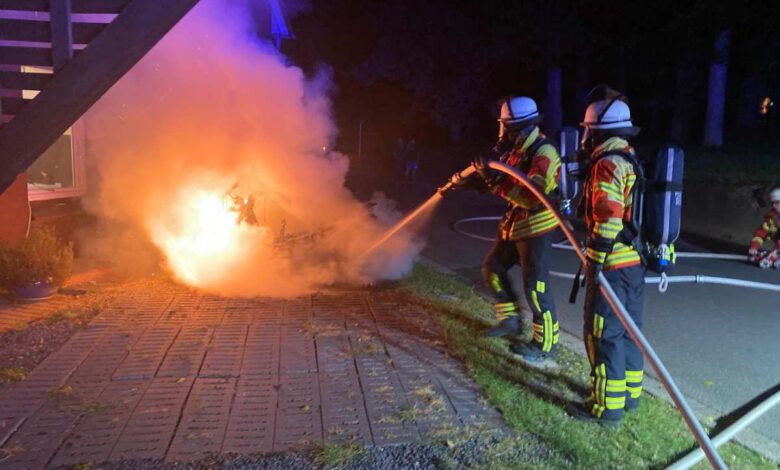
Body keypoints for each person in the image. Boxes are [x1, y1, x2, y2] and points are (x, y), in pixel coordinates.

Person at [470, 96, 562, 363]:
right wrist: (477, 180)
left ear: (518, 127)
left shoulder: (543, 152)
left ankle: (545, 345)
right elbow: (503, 180)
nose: (503, 133)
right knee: (493, 267)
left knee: (536, 287)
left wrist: (495, 183)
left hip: (536, 228)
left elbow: (531, 196)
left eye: (506, 127)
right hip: (515, 225)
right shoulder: (518, 150)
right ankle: (510, 321)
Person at [576, 87, 645, 426]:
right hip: (633, 264)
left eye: (588, 130)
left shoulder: (607, 164)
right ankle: (629, 397)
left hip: (612, 265)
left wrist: (594, 261)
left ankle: (606, 408)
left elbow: (608, 216)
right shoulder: (630, 157)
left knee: (604, 334)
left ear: (597, 131)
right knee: (629, 332)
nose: (585, 137)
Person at [748, 185, 780, 269]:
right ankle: (774, 256)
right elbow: (762, 232)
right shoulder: (773, 216)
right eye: (773, 203)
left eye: (777, 202)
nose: (774, 206)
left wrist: (774, 253)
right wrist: (754, 246)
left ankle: (775, 255)